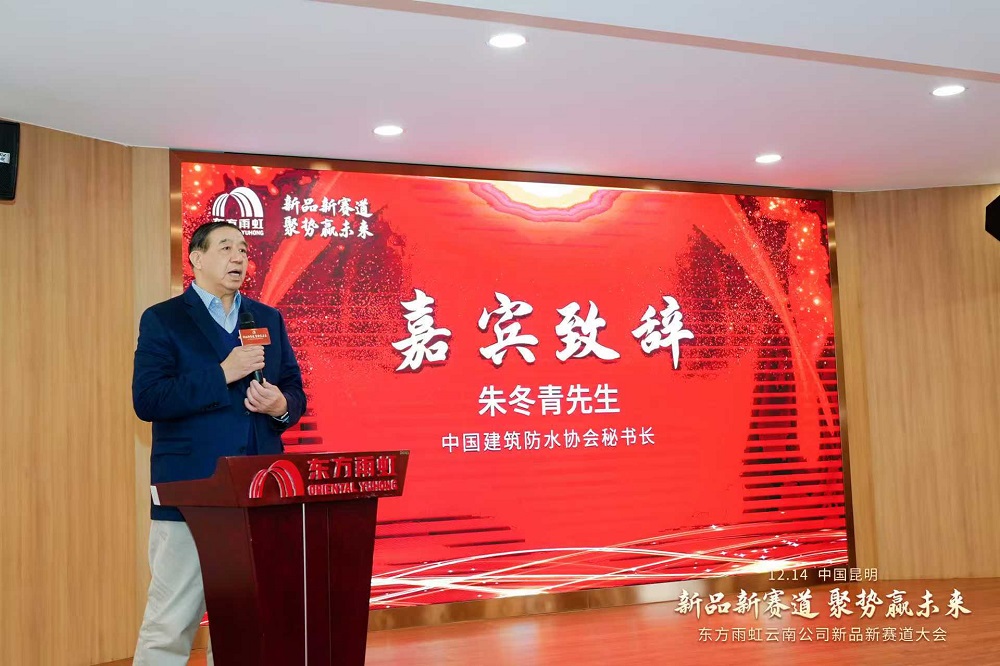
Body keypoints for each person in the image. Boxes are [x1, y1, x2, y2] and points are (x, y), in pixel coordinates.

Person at [131, 221, 306, 665]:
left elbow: (295, 391)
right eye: (226, 248)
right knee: (171, 622)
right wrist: (222, 374)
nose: (238, 257)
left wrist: (280, 405)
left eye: (243, 250)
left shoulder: (266, 318)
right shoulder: (164, 319)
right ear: (196, 258)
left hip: (258, 490)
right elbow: (148, 399)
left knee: (246, 618)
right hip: (190, 492)